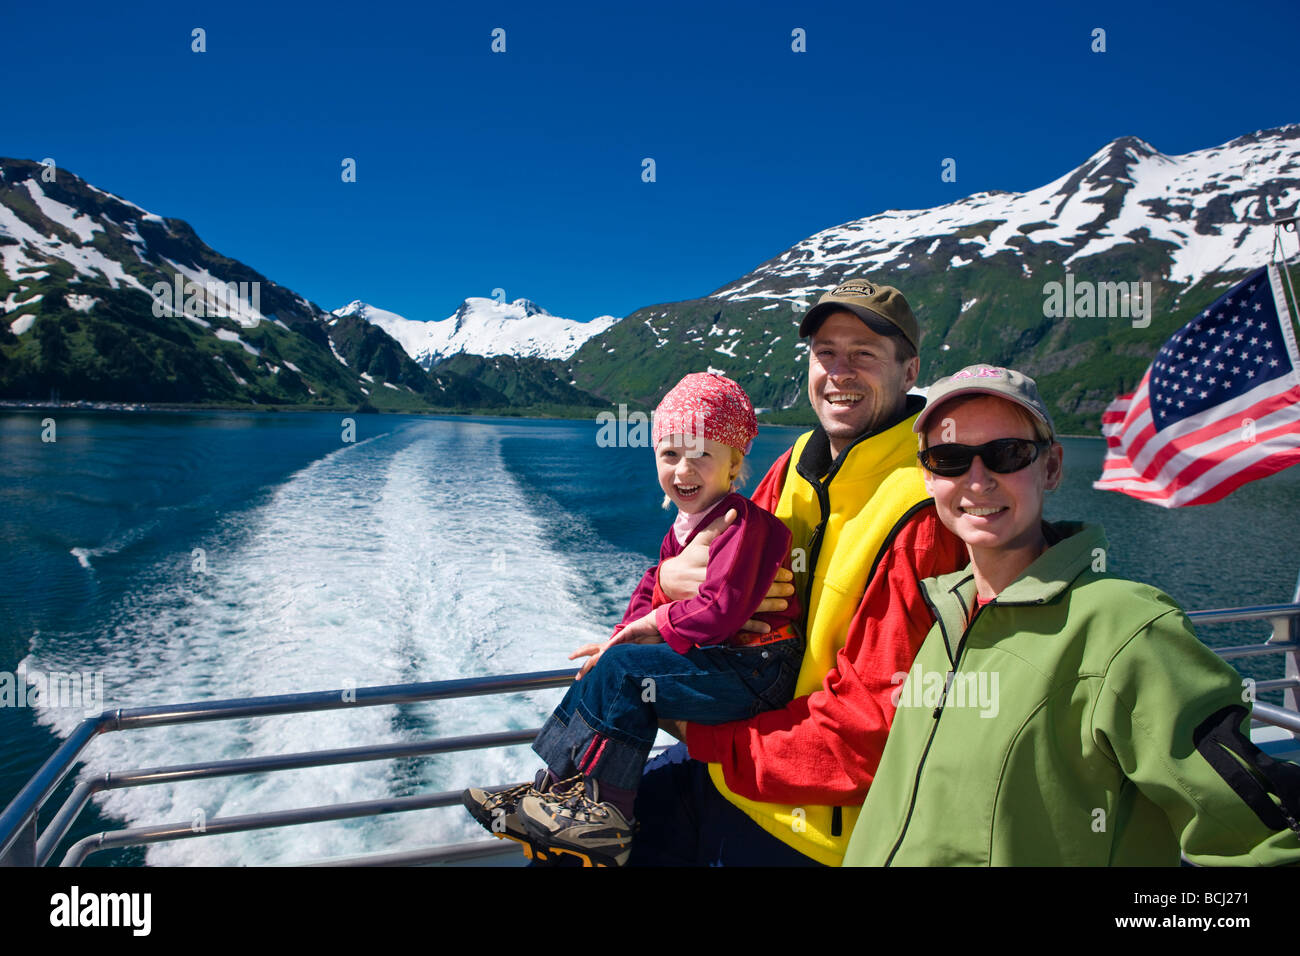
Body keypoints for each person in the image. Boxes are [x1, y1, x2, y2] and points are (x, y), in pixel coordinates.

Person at [843, 364, 1300, 865]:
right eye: (950, 458)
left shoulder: (1126, 628)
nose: (977, 480)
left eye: (1006, 454)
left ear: (1052, 467)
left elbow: (1265, 843)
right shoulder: (949, 615)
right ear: (929, 477)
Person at [627, 278, 968, 867]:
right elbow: (703, 576)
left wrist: (692, 729)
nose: (840, 370)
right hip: (734, 773)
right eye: (826, 353)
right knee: (574, 838)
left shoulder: (924, 510)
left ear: (909, 371)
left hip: (816, 829)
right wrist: (666, 585)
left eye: (864, 353)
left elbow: (867, 735)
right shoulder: (793, 467)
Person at [462, 372, 804, 866]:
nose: (683, 469)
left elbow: (721, 609)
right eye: (669, 454)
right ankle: (552, 794)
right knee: (612, 663)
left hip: (760, 671)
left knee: (625, 671)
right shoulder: (682, 531)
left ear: (734, 465)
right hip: (728, 665)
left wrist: (647, 631)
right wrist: (620, 638)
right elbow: (651, 596)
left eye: (701, 454)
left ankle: (606, 815)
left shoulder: (746, 526)